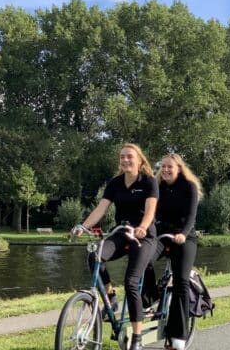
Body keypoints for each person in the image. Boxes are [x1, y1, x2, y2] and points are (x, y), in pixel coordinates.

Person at [73, 143, 158, 350]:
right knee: (95, 256)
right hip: (121, 233)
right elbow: (101, 209)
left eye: (130, 156)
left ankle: (136, 337)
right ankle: (110, 298)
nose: (125, 160)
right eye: (122, 157)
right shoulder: (115, 183)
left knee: (131, 282)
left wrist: (143, 227)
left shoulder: (149, 181)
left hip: (143, 236)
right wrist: (83, 227)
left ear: (140, 160)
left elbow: (150, 211)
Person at [146, 154, 202, 350]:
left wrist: (184, 234)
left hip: (183, 237)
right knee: (143, 261)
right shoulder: (158, 187)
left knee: (181, 282)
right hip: (161, 236)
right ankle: (151, 298)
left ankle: (178, 335)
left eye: (170, 167)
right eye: (163, 167)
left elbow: (191, 216)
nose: (166, 170)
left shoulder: (189, 187)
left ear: (179, 168)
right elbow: (151, 213)